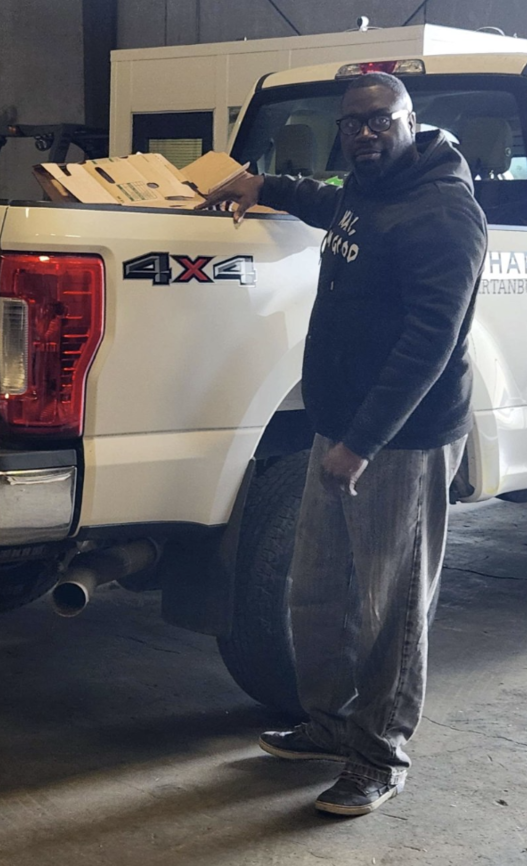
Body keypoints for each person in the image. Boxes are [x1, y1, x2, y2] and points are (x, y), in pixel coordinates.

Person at [198, 72, 487, 816]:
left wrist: (360, 443)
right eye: (352, 123)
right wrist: (259, 183)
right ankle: (327, 724)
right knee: (319, 592)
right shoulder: (367, 187)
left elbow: (430, 343)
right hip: (339, 424)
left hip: (398, 440)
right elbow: (329, 203)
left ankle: (378, 753)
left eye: (379, 120)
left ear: (409, 120)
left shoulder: (442, 213)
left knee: (389, 605)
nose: (364, 133)